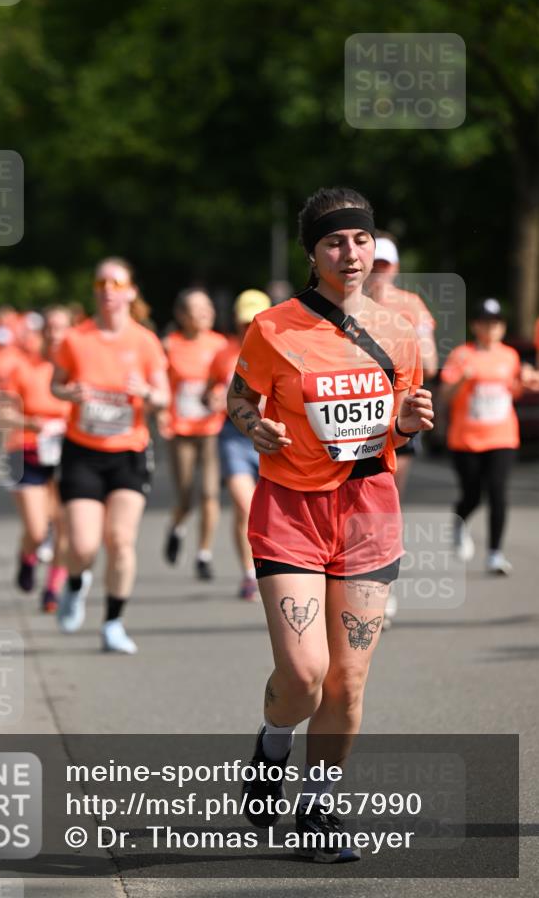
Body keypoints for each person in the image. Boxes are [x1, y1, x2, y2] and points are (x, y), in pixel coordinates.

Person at [227, 187, 433, 862]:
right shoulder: (274, 328)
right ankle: (271, 740)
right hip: (289, 508)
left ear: (373, 247)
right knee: (305, 674)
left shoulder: (400, 330)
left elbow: (398, 421)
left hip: (367, 512)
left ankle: (317, 810)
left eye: (359, 240)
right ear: (313, 253)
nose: (349, 253)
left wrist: (405, 425)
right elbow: (238, 396)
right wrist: (252, 424)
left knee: (346, 682)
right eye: (333, 242)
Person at [51, 258, 169, 653]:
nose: (107, 289)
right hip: (82, 451)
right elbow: (56, 384)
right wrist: (70, 393)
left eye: (116, 282)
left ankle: (113, 623)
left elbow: (164, 396)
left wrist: (146, 393)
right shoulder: (75, 339)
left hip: (128, 453)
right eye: (100, 281)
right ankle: (74, 582)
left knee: (120, 540)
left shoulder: (145, 342)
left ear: (130, 292)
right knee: (83, 546)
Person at [364, 235, 438, 628]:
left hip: (397, 418)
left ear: (394, 268)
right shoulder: (341, 304)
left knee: (386, 504)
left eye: (385, 265)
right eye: (373, 264)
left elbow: (430, 355)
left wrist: (412, 347)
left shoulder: (410, 306)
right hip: (354, 421)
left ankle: (382, 589)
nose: (378, 272)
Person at [440, 298, 539, 575]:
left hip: (502, 437)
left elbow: (515, 390)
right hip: (466, 439)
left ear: (502, 327)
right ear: (475, 326)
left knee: (498, 492)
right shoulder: (462, 355)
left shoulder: (510, 356)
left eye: (496, 323)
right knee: (472, 494)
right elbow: (445, 396)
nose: (491, 328)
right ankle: (460, 522)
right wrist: (463, 379)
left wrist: (527, 381)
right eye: (485, 322)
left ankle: (495, 553)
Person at [0, 307, 73, 611]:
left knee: (65, 524)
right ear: (42, 333)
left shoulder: (79, 368)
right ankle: (27, 556)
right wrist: (33, 424)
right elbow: (3, 412)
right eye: (50, 328)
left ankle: (53, 589)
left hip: (69, 451)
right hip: (26, 449)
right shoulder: (22, 368)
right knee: (37, 528)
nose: (55, 335)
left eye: (61, 328)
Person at [205, 290, 272, 601]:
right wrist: (214, 399)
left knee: (270, 510)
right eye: (245, 321)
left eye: (255, 320)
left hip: (272, 437)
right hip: (234, 436)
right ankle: (248, 574)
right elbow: (208, 392)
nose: (250, 328)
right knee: (245, 506)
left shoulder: (281, 348)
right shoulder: (224, 353)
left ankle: (273, 567)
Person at [160, 289, 228, 580]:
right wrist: (161, 412)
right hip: (181, 431)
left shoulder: (220, 344)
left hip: (211, 430)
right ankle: (176, 526)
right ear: (181, 316)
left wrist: (219, 395)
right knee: (186, 497)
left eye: (207, 307)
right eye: (195, 309)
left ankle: (204, 554)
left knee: (210, 493)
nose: (203, 313)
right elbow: (160, 383)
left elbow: (229, 380)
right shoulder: (169, 345)